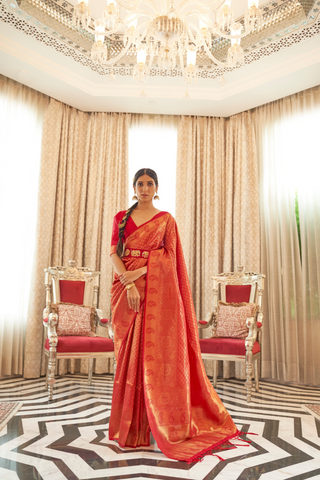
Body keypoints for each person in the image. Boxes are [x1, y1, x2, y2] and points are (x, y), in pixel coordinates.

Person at [109, 168, 240, 463]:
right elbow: (113, 253)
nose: (145, 188)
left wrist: (139, 274)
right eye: (140, 183)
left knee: (150, 357)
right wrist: (128, 282)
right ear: (133, 187)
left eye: (150, 183)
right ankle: (130, 429)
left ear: (156, 188)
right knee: (127, 358)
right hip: (124, 287)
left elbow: (169, 257)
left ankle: (153, 426)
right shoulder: (121, 217)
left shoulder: (166, 219)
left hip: (153, 290)